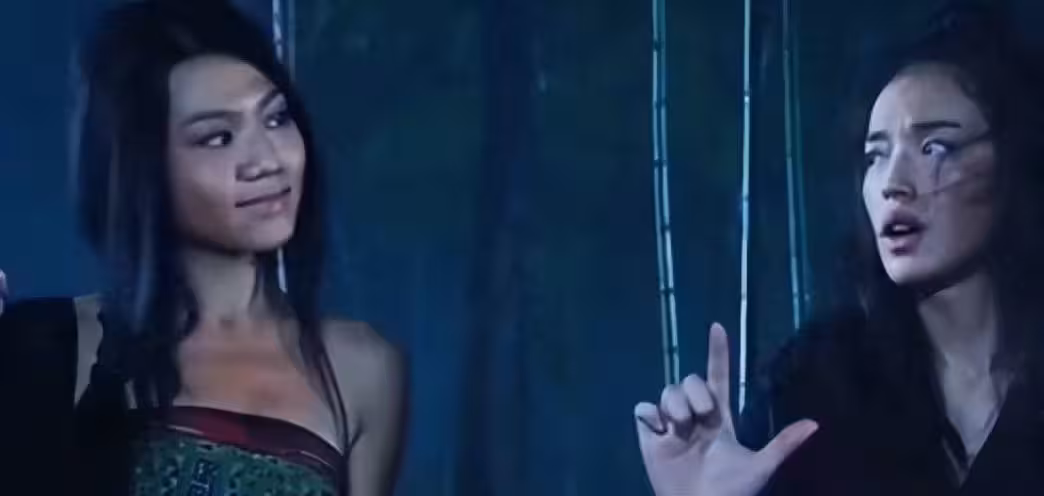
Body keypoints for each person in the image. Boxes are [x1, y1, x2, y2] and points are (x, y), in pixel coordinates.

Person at [634, 3, 1044, 495]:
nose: (893, 183)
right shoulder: (811, 394)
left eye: (935, 147)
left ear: (1016, 161)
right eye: (876, 155)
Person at [0, 1, 405, 494]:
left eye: (276, 119)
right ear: (143, 168)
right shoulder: (53, 348)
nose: (266, 161)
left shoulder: (363, 369)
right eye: (218, 138)